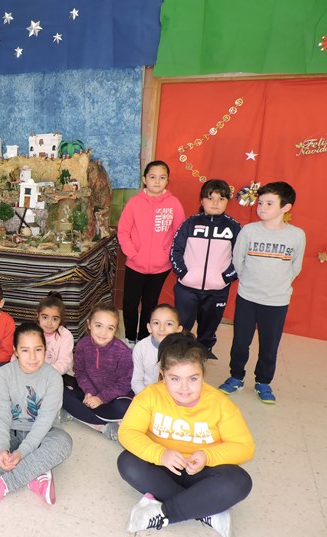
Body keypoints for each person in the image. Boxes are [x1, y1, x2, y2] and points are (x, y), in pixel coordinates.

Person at [118, 333, 255, 537]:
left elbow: (245, 446)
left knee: (240, 481)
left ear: (203, 375)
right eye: (175, 379)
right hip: (163, 467)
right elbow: (127, 432)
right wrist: (160, 454)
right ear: (163, 375)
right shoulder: (150, 396)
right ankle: (205, 509)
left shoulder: (220, 404)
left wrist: (207, 456)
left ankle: (164, 512)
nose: (184, 388)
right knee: (127, 462)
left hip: (202, 471)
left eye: (193, 378)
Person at [0, 322, 72, 507]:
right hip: (11, 431)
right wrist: (1, 448)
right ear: (15, 351)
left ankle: (3, 485)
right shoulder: (5, 373)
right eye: (25, 350)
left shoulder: (54, 378)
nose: (32, 357)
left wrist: (22, 452)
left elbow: (44, 422)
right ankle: (33, 475)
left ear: (45, 349)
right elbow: (1, 415)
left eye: (38, 349)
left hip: (43, 434)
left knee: (64, 443)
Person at [219, 182, 306, 404]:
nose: (262, 207)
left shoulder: (297, 235)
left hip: (276, 301)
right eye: (260, 203)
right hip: (248, 298)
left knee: (269, 345)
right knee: (240, 341)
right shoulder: (249, 231)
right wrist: (250, 282)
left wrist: (276, 285)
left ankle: (263, 382)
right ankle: (236, 377)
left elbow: (295, 267)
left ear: (285, 208)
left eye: (269, 203)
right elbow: (238, 260)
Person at [118, 160, 185, 346]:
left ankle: (144, 340)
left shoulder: (173, 203)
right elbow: (123, 231)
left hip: (160, 267)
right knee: (130, 303)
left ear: (167, 180)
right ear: (144, 179)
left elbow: (180, 234)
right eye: (152, 177)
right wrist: (133, 254)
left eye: (162, 178)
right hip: (135, 264)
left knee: (150, 305)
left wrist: (166, 255)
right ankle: (130, 338)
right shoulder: (134, 203)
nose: (157, 181)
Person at [170, 179, 241, 357]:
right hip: (187, 288)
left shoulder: (234, 227)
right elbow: (176, 250)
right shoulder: (189, 223)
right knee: (182, 326)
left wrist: (225, 278)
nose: (215, 203)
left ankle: (202, 356)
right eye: (210, 198)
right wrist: (183, 274)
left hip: (217, 290)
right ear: (201, 200)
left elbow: (241, 258)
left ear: (227, 201)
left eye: (221, 199)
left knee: (209, 328)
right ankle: (180, 356)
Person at [62, 304, 133, 440]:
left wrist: (101, 398)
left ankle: (83, 415)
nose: (103, 332)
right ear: (89, 324)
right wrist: (89, 392)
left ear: (115, 330)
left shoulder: (123, 352)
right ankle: (103, 424)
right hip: (88, 392)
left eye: (110, 328)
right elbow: (80, 372)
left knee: (125, 407)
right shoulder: (82, 345)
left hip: (114, 398)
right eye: (98, 325)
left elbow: (124, 384)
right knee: (59, 386)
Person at [131, 304, 183, 394]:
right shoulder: (141, 348)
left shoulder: (184, 350)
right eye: (156, 323)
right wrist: (148, 398)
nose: (161, 328)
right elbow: (136, 381)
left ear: (178, 329)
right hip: (147, 392)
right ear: (149, 327)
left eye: (169, 324)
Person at [36, 291, 74, 375]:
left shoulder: (66, 335)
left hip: (58, 375)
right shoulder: (31, 332)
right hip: (33, 373)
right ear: (38, 316)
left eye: (55, 319)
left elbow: (64, 362)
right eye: (45, 317)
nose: (49, 323)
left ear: (61, 319)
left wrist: (46, 373)